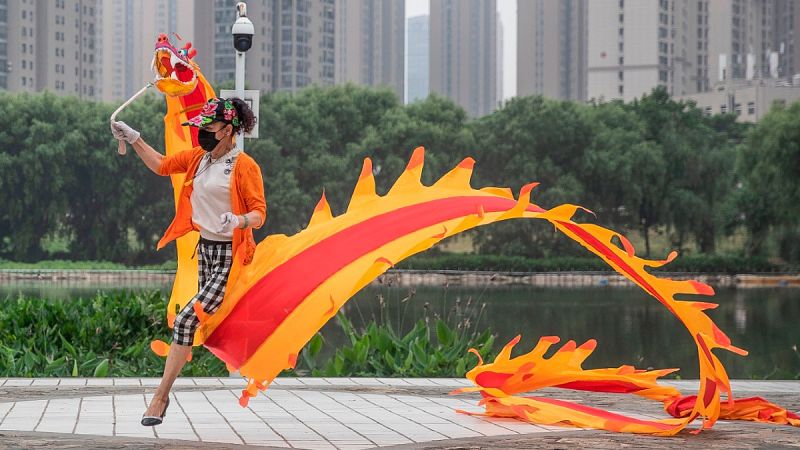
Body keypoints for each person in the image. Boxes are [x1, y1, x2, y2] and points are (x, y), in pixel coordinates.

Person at [111, 97, 265, 426]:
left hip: (231, 257)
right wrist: (134, 137)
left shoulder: (244, 166)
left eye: (207, 128)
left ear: (228, 130)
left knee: (185, 320)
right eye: (199, 128)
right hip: (206, 253)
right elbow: (162, 165)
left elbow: (259, 214)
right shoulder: (199, 159)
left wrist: (238, 220)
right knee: (206, 327)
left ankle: (159, 398)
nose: (201, 134)